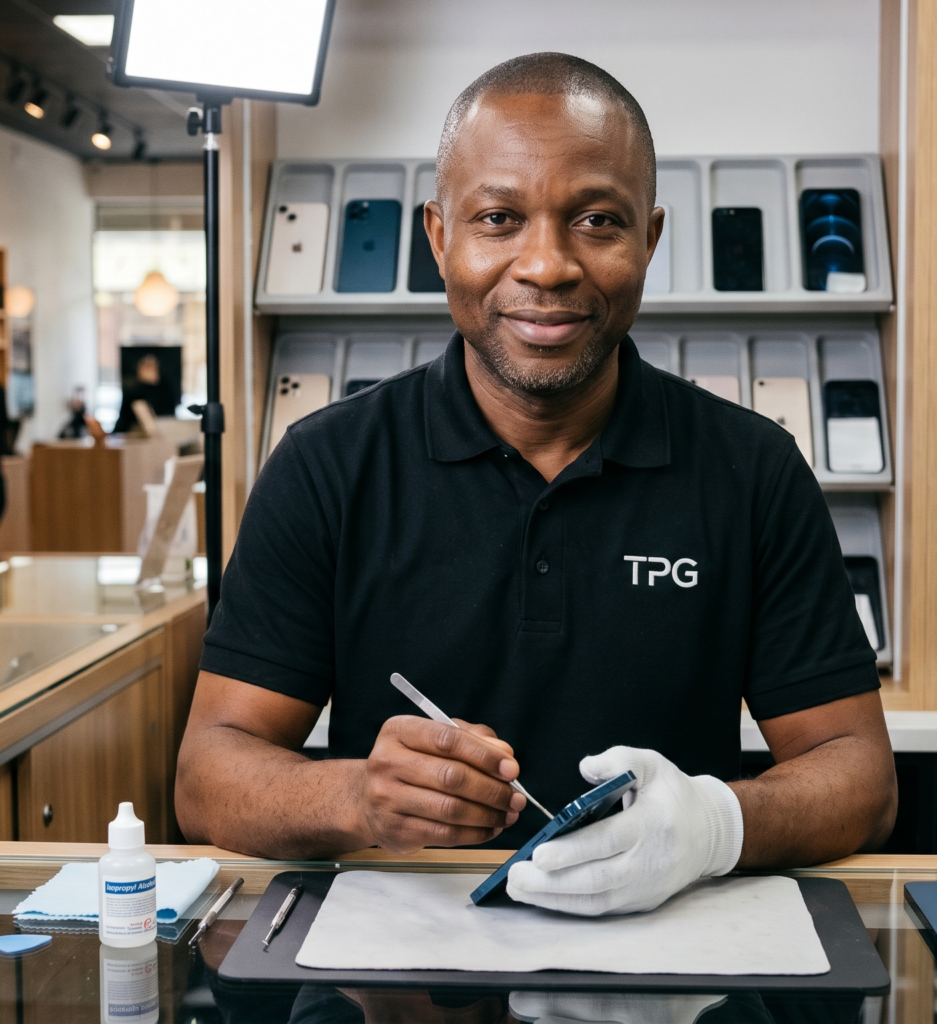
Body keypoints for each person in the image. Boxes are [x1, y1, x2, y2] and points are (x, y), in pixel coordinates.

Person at [177, 52, 896, 917]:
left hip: (675, 957)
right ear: (441, 238)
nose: (547, 266)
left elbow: (862, 777)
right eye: (499, 219)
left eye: (597, 220)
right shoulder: (327, 465)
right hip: (401, 964)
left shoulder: (754, 470)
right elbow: (208, 774)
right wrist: (357, 798)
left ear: (651, 241)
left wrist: (714, 823)